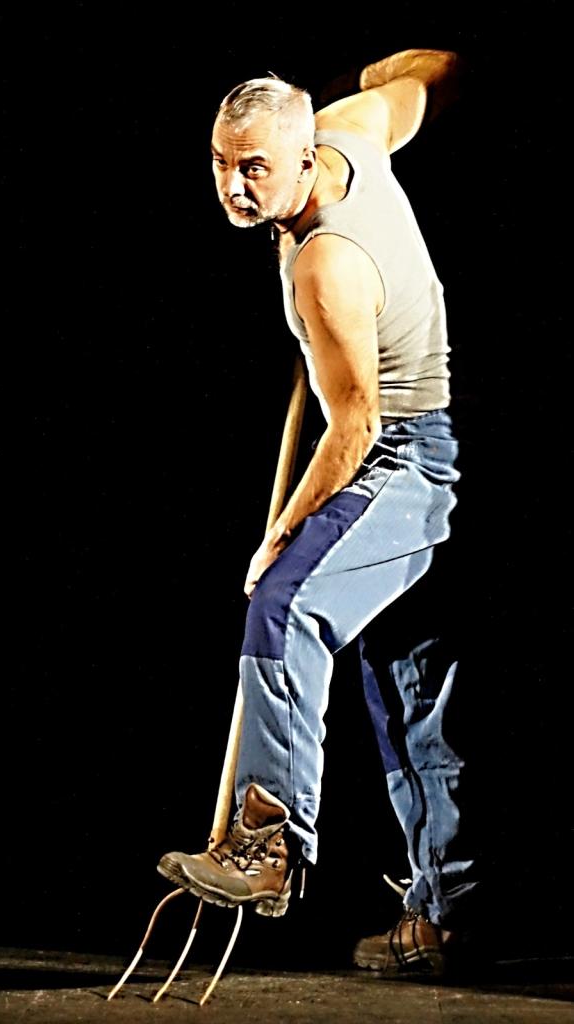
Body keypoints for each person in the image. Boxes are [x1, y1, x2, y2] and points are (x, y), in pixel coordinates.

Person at [158, 49, 478, 978]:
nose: (233, 186)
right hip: (403, 443)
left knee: (285, 604)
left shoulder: (325, 264)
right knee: (406, 689)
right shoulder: (354, 126)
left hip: (401, 461)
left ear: (301, 157)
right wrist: (381, 72)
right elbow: (430, 76)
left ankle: (265, 844)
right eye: (220, 163)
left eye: (253, 167)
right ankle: (439, 918)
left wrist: (280, 535)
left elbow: (354, 427)